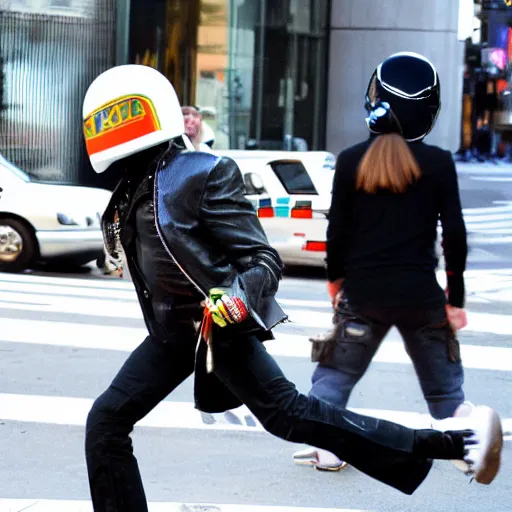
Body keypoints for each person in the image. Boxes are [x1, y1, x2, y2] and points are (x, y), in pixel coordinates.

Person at [82, 64, 502, 511]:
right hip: (171, 337)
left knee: (293, 416)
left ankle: (455, 444)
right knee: (106, 422)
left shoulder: (200, 173)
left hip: (217, 330)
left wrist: (237, 299)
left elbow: (264, 259)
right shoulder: (131, 188)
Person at [292, 52, 503, 476]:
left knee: (332, 379)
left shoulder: (351, 160)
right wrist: (454, 298)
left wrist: (336, 284)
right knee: (444, 391)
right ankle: (468, 435)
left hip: (363, 296)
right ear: (430, 110)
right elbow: (456, 236)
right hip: (421, 297)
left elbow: (338, 233)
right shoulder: (439, 163)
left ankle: (329, 450)